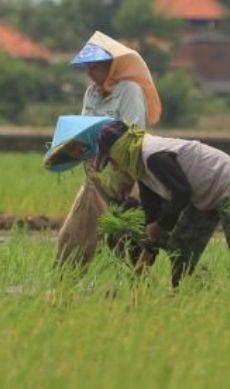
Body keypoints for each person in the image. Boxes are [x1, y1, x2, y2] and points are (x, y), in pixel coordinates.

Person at [87, 119, 230, 286]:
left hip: (227, 181)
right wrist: (151, 242)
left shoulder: (153, 156)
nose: (114, 165)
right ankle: (189, 293)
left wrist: (161, 226)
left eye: (111, 159)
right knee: (180, 248)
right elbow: (153, 209)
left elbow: (181, 193)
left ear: (120, 149)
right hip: (203, 193)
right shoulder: (140, 167)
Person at [55, 32, 162, 269]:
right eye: (87, 67)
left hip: (125, 177)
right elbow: (84, 129)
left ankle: (138, 282)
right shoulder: (91, 93)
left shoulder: (130, 91)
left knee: (124, 237)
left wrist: (106, 155)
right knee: (75, 234)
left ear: (111, 66)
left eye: (94, 67)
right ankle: (64, 279)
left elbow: (133, 136)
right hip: (96, 177)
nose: (89, 73)